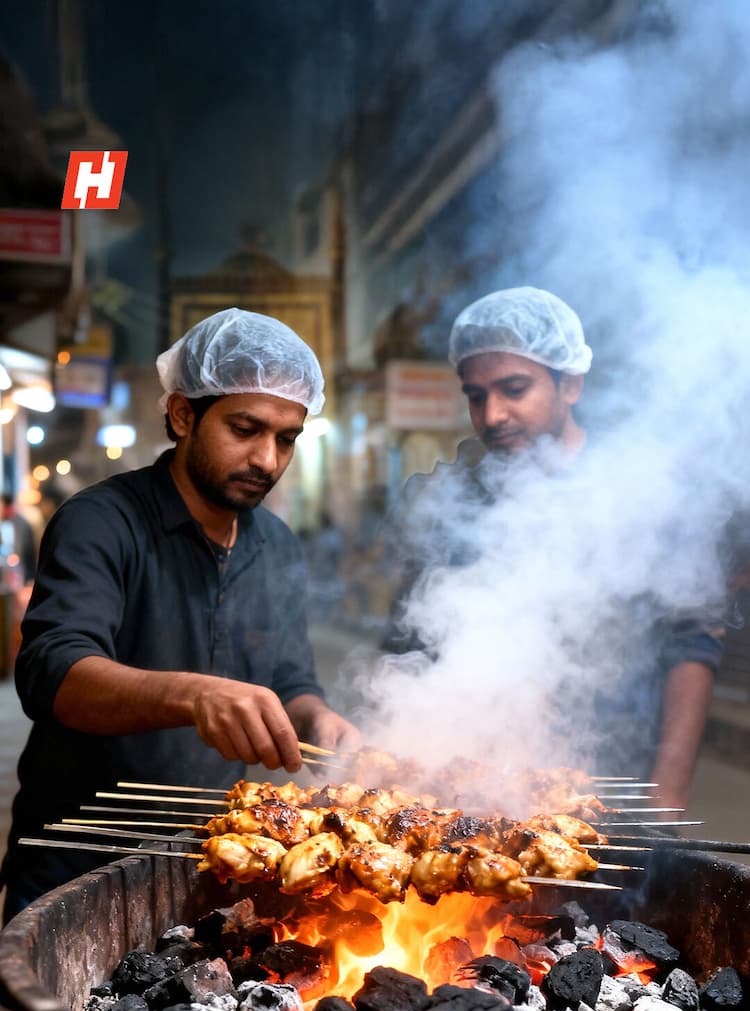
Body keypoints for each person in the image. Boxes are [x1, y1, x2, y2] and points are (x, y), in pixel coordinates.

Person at [1, 308, 359, 921]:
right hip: (77, 866)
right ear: (183, 414)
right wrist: (195, 695)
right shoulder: (101, 522)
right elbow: (52, 672)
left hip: (209, 864)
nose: (267, 459)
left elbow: (290, 678)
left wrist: (318, 718)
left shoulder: (276, 545)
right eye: (245, 429)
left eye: (286, 438)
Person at [383, 286, 724, 808]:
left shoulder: (641, 489)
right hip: (471, 784)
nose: (492, 414)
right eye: (476, 396)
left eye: (514, 389)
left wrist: (667, 794)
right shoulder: (452, 496)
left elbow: (692, 644)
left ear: (571, 385)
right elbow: (410, 645)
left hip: (608, 779)